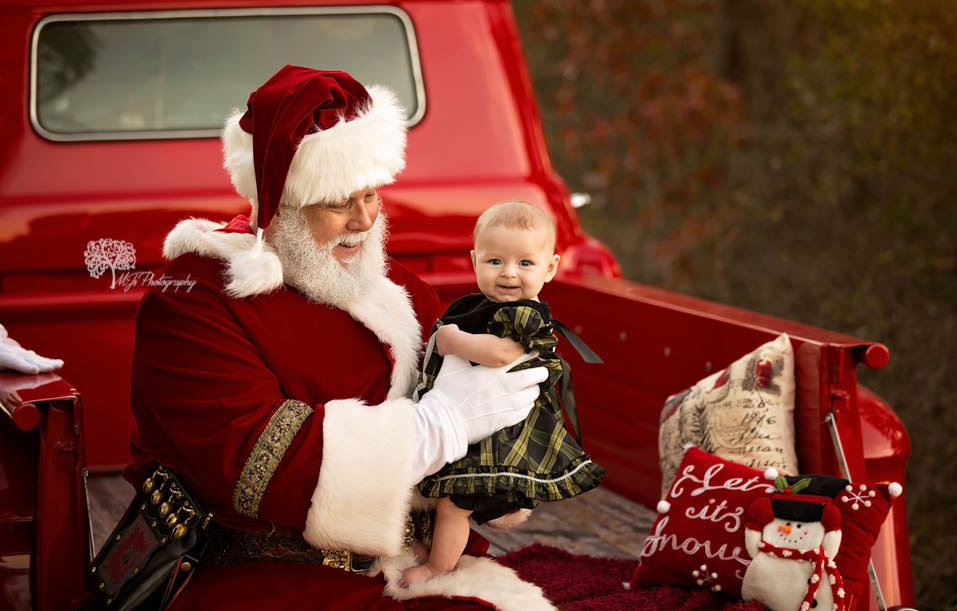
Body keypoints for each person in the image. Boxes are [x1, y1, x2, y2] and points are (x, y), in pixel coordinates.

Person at [125, 65, 556, 609]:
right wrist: (438, 425)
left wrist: (503, 466)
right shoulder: (192, 303)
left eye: (372, 194)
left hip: (416, 562)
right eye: (337, 202)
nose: (365, 219)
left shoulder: (398, 289)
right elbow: (262, 469)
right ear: (279, 201)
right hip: (267, 578)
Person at [401, 201, 605, 586]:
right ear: (475, 260)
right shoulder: (478, 307)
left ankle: (437, 569)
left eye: (525, 263)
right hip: (468, 420)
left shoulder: (524, 313)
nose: (509, 273)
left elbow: (500, 354)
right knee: (437, 493)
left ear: (550, 268)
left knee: (453, 504)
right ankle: (422, 548)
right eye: (495, 261)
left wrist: (452, 339)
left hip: (499, 433)